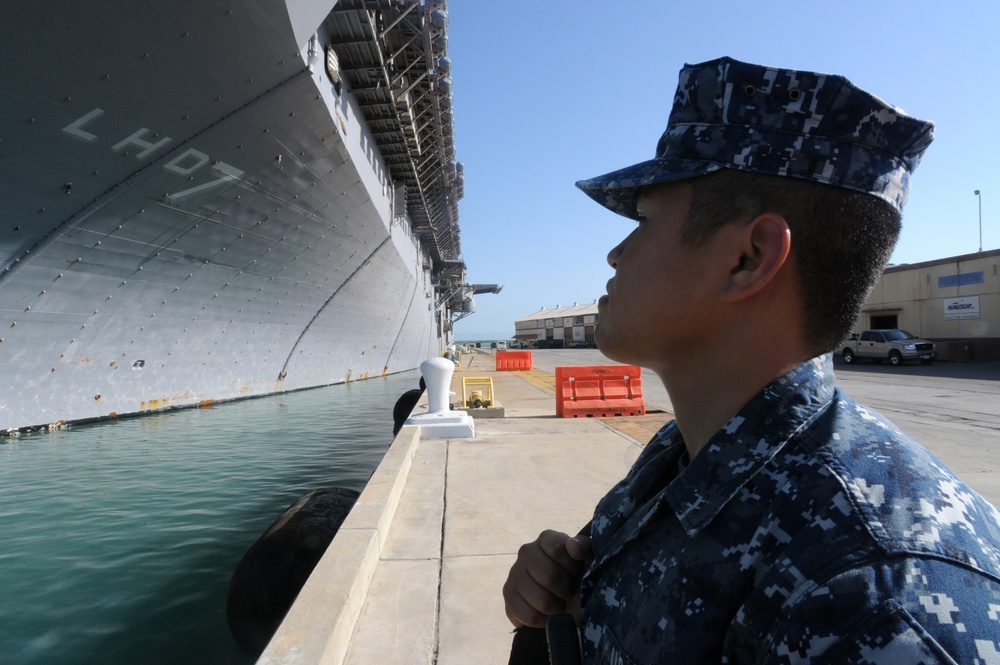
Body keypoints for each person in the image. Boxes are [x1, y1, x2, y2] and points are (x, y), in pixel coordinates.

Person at [503, 56, 1000, 664]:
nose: (614, 252)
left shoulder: (872, 599)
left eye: (645, 221)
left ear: (749, 258)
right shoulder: (685, 453)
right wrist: (556, 601)